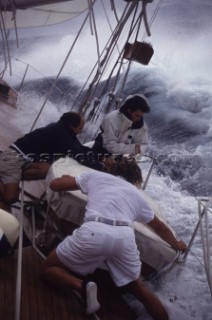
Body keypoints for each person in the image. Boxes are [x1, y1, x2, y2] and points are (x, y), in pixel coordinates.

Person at [40, 157, 187, 319]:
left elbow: (55, 185)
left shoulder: (95, 176)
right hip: (124, 237)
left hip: (95, 230)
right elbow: (160, 227)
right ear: (136, 180)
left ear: (113, 171)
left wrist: (66, 178)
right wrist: (176, 244)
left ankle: (82, 286)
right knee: (139, 289)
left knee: (48, 269)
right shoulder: (138, 196)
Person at [0, 111, 102, 211]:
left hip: (26, 160)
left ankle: (8, 179)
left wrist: (101, 157)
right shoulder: (61, 134)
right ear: (72, 126)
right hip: (13, 158)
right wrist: (102, 167)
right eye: (80, 128)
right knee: (10, 198)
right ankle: (5, 178)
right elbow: (79, 155)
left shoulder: (63, 130)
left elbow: (80, 148)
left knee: (46, 169)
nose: (81, 131)